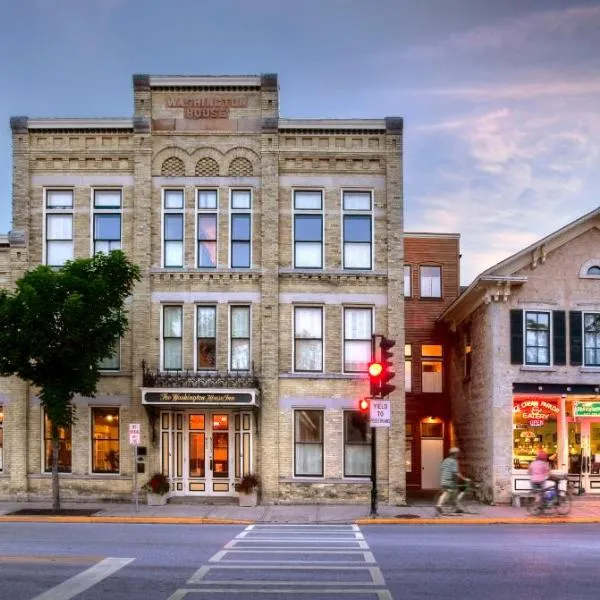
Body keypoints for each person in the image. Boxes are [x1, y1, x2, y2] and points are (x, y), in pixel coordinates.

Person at [436, 447, 470, 514]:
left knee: (451, 494)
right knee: (448, 494)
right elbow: (456, 472)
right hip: (450, 481)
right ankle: (439, 505)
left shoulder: (445, 460)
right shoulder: (454, 461)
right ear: (455, 454)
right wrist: (465, 479)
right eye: (458, 453)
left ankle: (458, 508)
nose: (458, 455)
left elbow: (442, 469)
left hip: (443, 480)